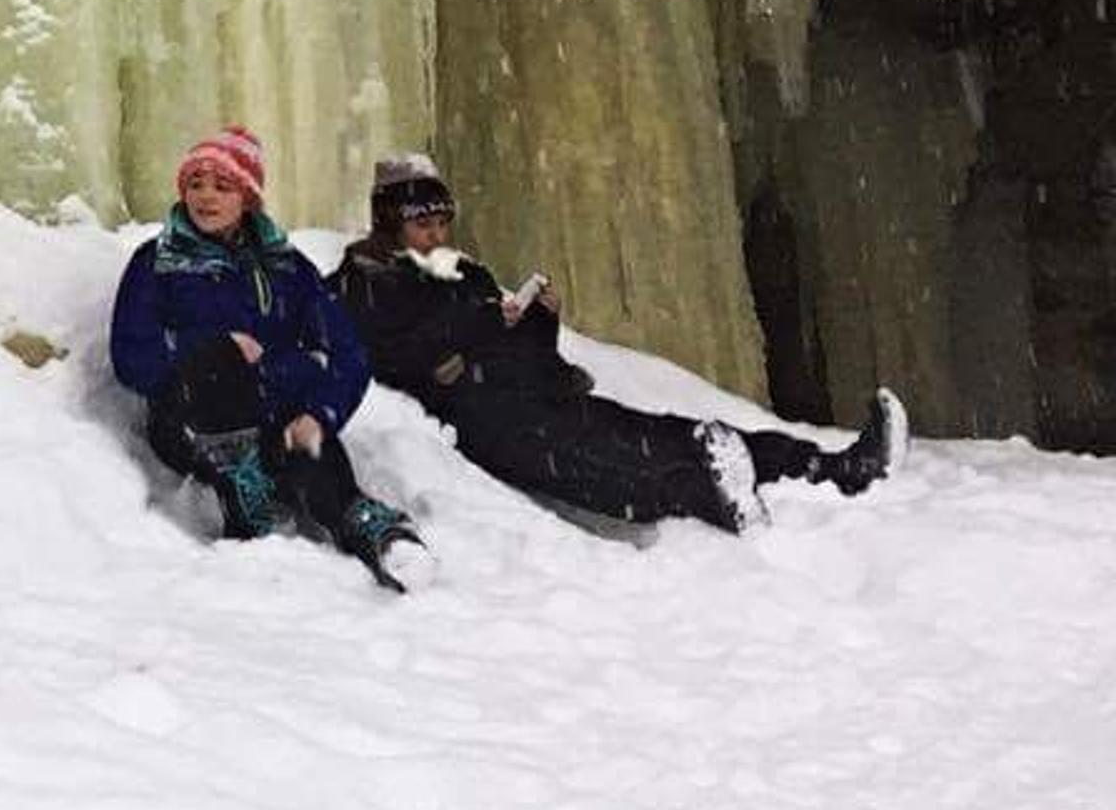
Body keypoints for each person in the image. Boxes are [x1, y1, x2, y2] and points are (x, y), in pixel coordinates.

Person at [332, 155, 906, 532]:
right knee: (614, 470)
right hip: (488, 423)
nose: (437, 235)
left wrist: (537, 322)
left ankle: (833, 467)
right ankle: (717, 501)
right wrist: (476, 330)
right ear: (390, 223)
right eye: (422, 224)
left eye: (442, 222)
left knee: (666, 434)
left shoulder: (467, 275)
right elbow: (392, 356)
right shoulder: (363, 282)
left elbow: (522, 352)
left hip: (540, 398)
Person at [109, 125, 420, 583]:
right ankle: (242, 495)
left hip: (274, 410)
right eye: (195, 184)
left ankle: (365, 527)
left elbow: (348, 352)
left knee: (310, 446)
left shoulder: (286, 267)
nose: (205, 197)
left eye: (222, 185)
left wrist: (321, 414)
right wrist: (216, 349)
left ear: (248, 196)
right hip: (191, 421)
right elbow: (132, 356)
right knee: (227, 370)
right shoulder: (156, 263)